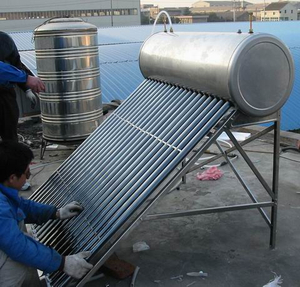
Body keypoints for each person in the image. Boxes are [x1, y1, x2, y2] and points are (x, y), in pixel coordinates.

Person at [0, 141, 93, 286]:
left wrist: (55, 213)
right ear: (12, 178)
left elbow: (20, 205)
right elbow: (17, 246)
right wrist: (62, 263)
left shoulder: (4, 191)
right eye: (26, 173)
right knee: (16, 260)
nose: (29, 176)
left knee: (25, 238)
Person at [0, 31, 45, 142]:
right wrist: (25, 79)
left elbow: (16, 65)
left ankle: (12, 156)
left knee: (9, 132)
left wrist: (26, 89)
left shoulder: (4, 39)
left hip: (5, 94)